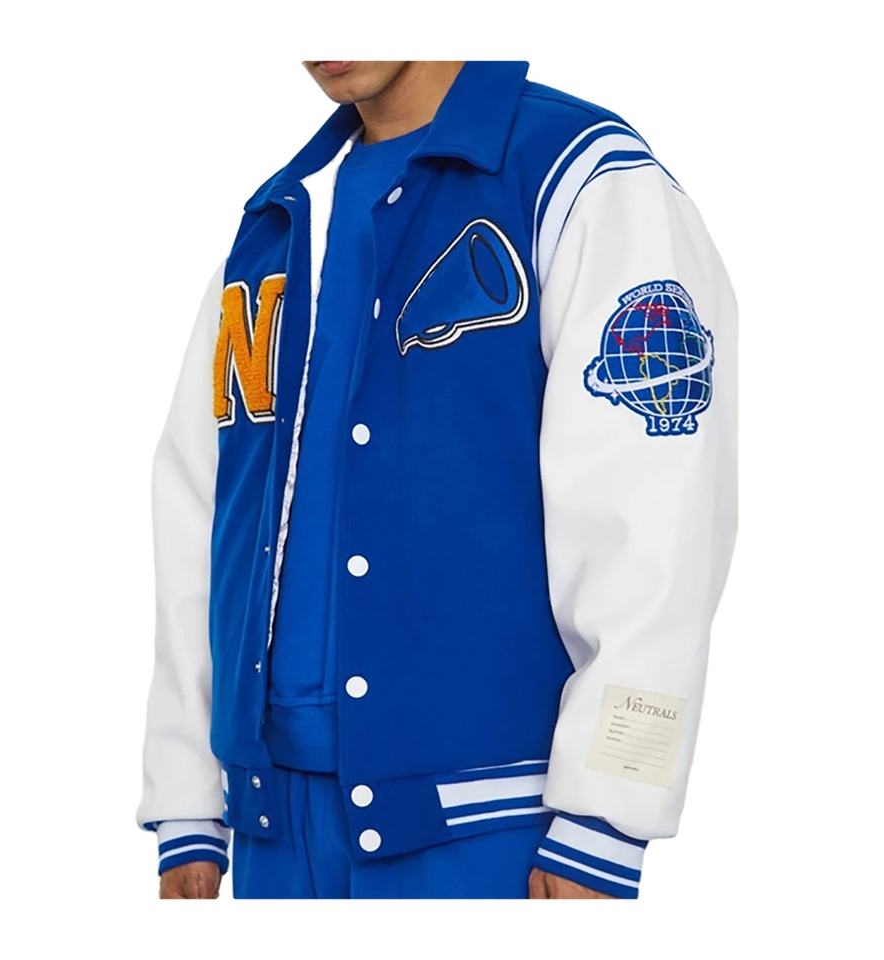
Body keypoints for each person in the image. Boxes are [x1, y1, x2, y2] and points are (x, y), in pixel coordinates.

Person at [137, 60, 737, 899]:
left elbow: (654, 515)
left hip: (495, 822)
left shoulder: (581, 179)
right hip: (271, 821)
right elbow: (205, 513)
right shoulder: (281, 217)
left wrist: (607, 816)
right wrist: (187, 800)